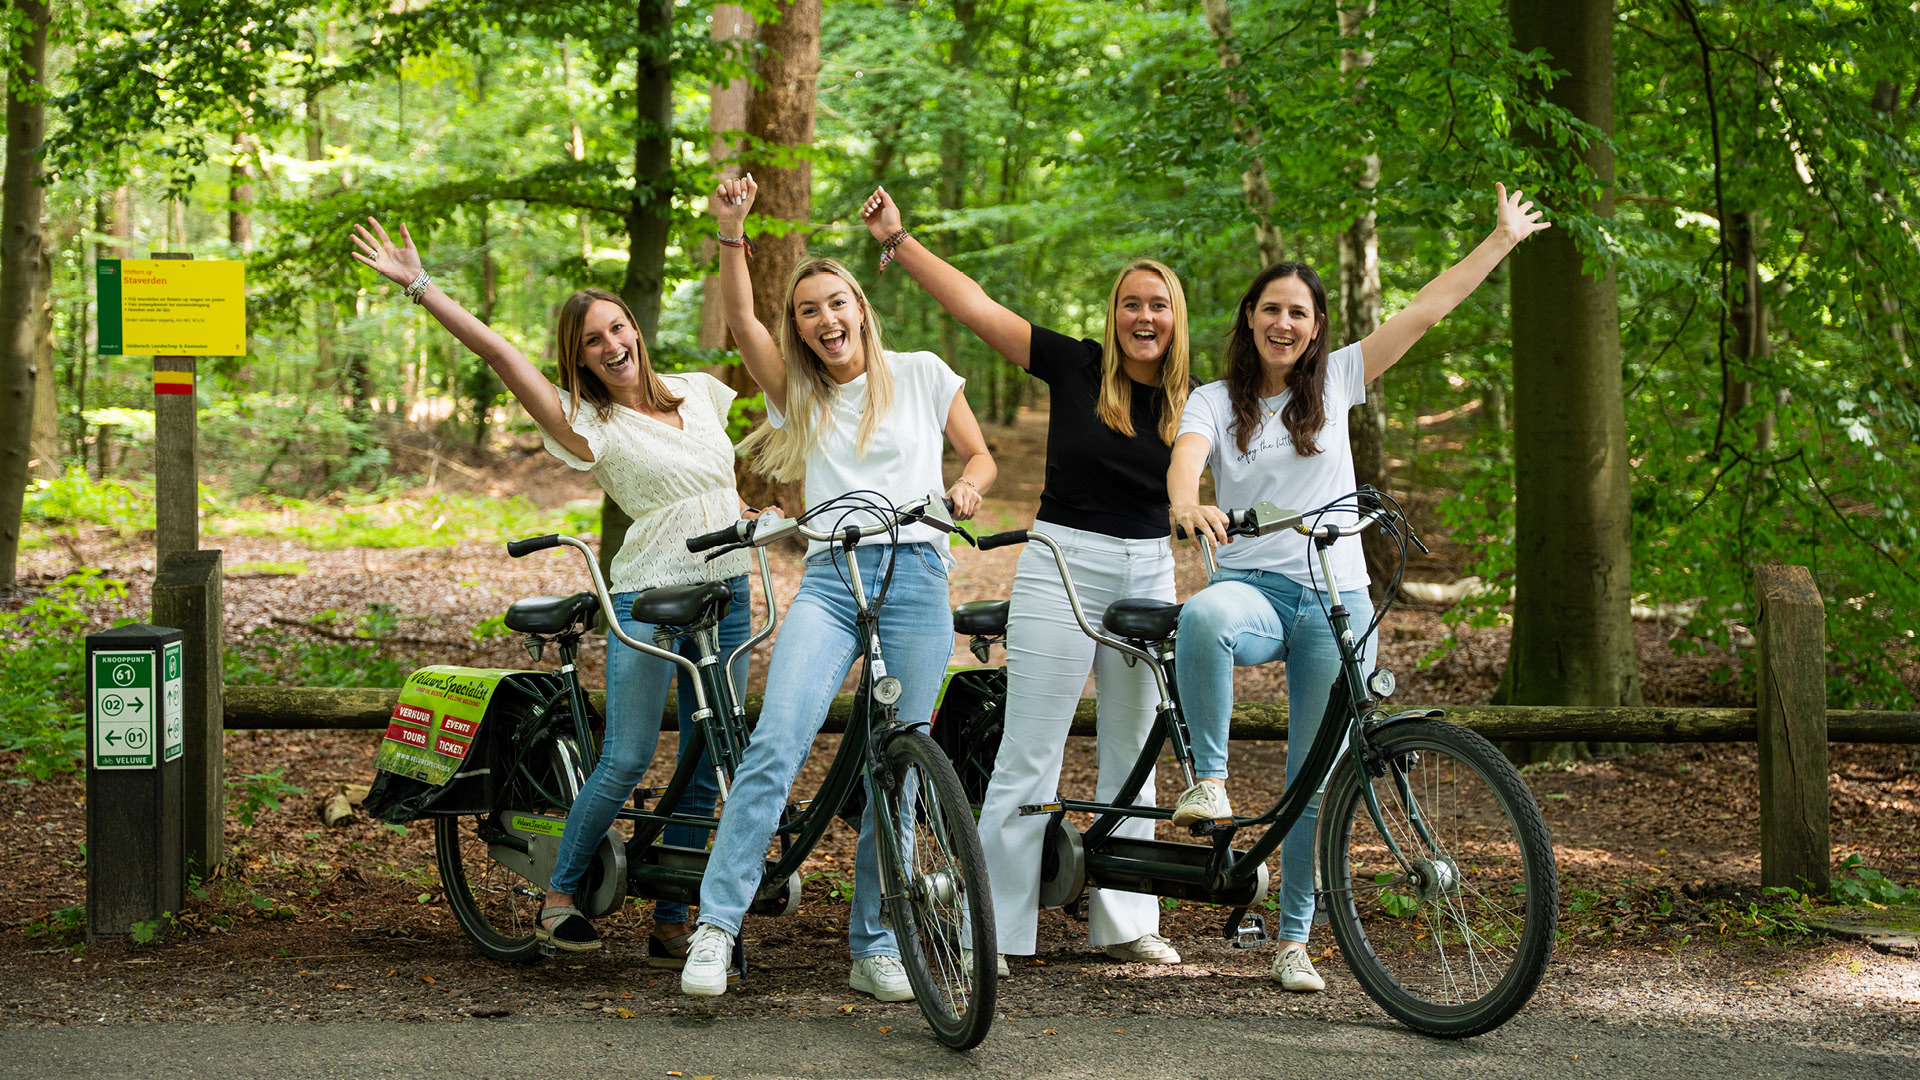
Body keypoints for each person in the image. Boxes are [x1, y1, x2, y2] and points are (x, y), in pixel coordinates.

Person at [1166, 183, 1552, 992]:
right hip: (1260, 593)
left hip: (1339, 603)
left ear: (1315, 329)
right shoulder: (1212, 398)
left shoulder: (1338, 380)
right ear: (1249, 317)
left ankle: (1295, 941)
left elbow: (1424, 313)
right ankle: (1208, 779)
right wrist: (1185, 501)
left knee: (1316, 781)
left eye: (1299, 314)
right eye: (1271, 309)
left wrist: (1501, 240)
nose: (1284, 324)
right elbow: (1186, 460)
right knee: (1201, 617)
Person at [351, 219, 755, 964]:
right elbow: (501, 353)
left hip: (729, 592)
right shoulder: (586, 423)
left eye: (618, 327)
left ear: (636, 329)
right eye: (593, 340)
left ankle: (673, 917)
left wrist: (741, 515)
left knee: (710, 753)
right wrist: (420, 285)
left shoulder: (700, 394)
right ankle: (561, 896)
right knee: (629, 755)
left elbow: (717, 481)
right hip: (649, 598)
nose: (613, 345)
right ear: (581, 358)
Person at [857, 188, 1193, 972]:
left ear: (1176, 320)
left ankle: (1124, 921)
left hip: (1148, 570)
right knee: (1029, 751)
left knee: (1134, 751)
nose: (1144, 317)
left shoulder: (1192, 400)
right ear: (1114, 315)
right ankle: (996, 932)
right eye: (1131, 304)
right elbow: (977, 307)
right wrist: (898, 241)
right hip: (1061, 562)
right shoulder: (1076, 363)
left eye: (1159, 306)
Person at [680, 176, 996, 1000]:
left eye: (836, 303)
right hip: (829, 578)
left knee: (902, 760)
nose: (825, 320)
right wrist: (731, 231)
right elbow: (743, 323)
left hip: (919, 575)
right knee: (779, 740)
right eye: (810, 311)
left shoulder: (923, 373)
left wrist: (966, 489)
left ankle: (875, 942)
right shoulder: (802, 396)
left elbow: (981, 456)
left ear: (861, 307)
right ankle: (716, 925)